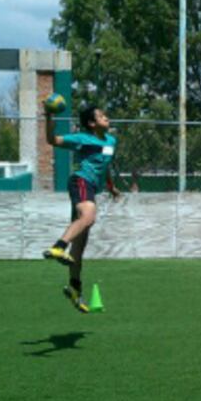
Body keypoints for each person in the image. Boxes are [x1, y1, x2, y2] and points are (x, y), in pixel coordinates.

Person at [42, 104, 121, 313]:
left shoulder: (111, 141)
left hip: (92, 188)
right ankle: (59, 247)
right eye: (101, 116)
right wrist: (49, 116)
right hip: (80, 182)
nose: (106, 117)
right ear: (92, 123)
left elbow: (105, 166)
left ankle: (74, 288)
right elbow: (52, 140)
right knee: (88, 216)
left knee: (80, 244)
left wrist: (111, 187)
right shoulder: (83, 139)